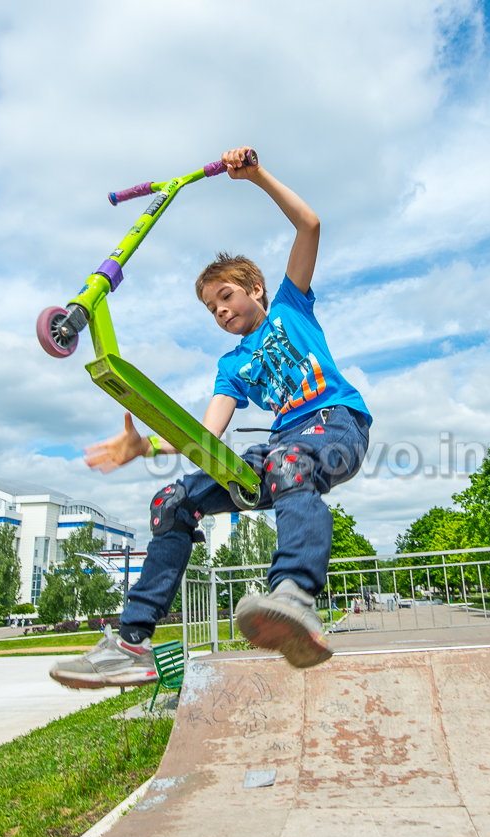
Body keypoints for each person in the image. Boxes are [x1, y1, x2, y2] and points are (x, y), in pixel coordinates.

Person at [51, 148, 372, 689]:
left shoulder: (292, 306)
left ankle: (293, 595)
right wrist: (148, 448)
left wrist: (257, 177)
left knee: (290, 461)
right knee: (172, 501)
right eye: (211, 308)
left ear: (255, 289)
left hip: (337, 426)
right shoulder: (231, 365)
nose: (221, 310)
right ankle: (133, 642)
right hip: (277, 450)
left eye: (226, 296)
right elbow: (207, 437)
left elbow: (310, 224)